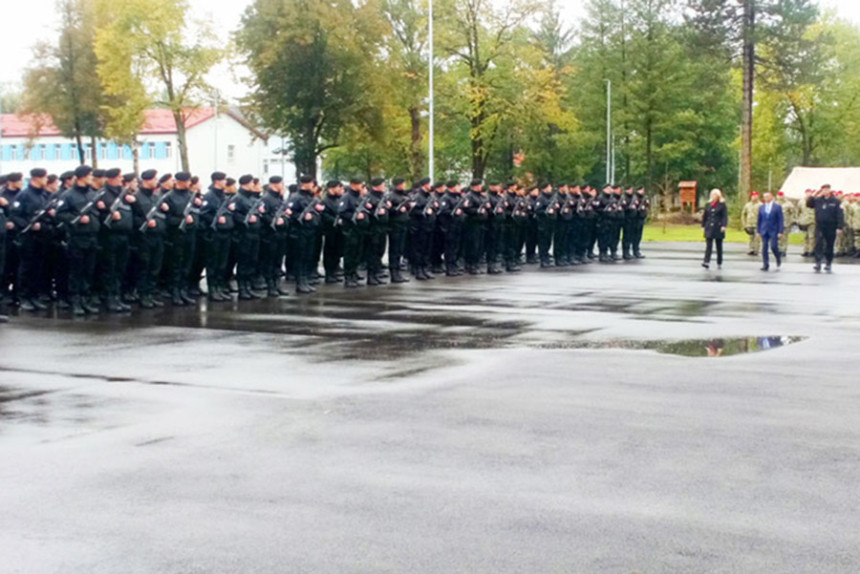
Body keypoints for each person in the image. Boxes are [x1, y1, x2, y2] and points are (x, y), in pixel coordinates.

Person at [807, 184, 844, 273]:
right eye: (823, 190)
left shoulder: (836, 201)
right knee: (818, 243)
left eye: (827, 190)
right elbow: (809, 204)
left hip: (831, 226)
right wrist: (813, 195)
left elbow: (840, 214)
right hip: (820, 225)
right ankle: (818, 262)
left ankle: (828, 262)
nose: (825, 191)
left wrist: (840, 226)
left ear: (830, 190)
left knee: (829, 244)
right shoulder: (818, 200)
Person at [757, 191, 784, 271]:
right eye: (765, 197)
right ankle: (765, 264)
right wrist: (758, 231)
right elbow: (759, 220)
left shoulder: (777, 207)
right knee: (764, 248)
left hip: (774, 230)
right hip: (764, 229)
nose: (766, 198)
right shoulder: (762, 207)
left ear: (771, 197)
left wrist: (780, 231)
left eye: (767, 196)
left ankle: (778, 257)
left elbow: (780, 220)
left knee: (773, 246)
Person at [701, 189, 728, 270]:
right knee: (708, 245)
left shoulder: (722, 205)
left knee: (718, 245)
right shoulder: (708, 204)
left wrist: (724, 225)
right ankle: (706, 261)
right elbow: (705, 216)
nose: (713, 197)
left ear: (718, 196)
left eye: (715, 195)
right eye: (712, 195)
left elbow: (724, 216)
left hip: (718, 227)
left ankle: (719, 261)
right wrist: (703, 225)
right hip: (709, 227)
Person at [741, 191, 761, 255]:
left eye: (755, 196)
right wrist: (744, 224)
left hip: (758, 224)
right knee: (751, 237)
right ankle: (751, 249)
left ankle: (756, 249)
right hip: (749, 224)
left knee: (757, 237)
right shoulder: (748, 205)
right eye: (753, 196)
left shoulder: (760, 205)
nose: (754, 197)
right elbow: (743, 214)